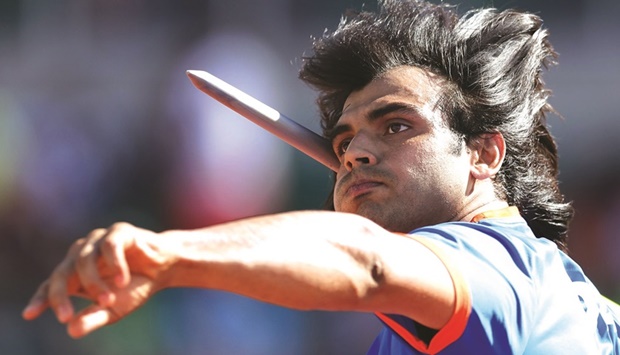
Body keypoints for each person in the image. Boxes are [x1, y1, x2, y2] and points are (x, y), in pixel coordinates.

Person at [22, 0, 620, 353]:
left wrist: (172, 254)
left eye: (396, 127)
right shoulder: (572, 304)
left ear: (484, 155)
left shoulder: (496, 268)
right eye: (345, 139)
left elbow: (365, 261)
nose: (356, 151)